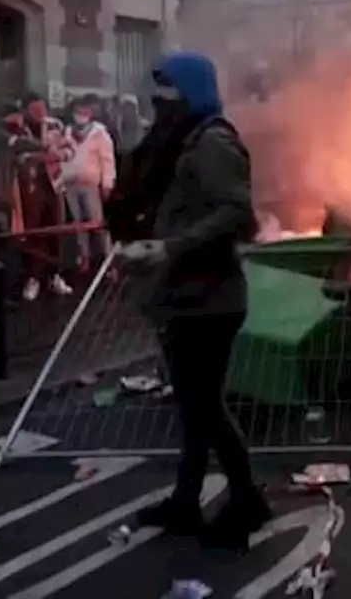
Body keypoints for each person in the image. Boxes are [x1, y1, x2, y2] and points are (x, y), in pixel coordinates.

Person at [108, 52, 267, 548]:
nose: (159, 100)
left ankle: (247, 501)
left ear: (192, 91)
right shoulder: (175, 142)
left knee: (206, 408)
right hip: (179, 295)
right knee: (193, 408)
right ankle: (186, 498)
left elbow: (235, 212)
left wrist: (167, 247)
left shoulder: (214, 141)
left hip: (211, 299)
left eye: (168, 90)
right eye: (155, 90)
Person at [14, 93, 74, 300]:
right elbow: (18, 157)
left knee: (56, 230)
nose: (41, 114)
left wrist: (58, 155)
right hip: (30, 186)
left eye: (43, 109)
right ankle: (33, 277)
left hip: (54, 184)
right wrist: (43, 156)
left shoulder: (55, 125)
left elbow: (69, 150)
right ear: (26, 110)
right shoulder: (19, 129)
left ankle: (55, 274)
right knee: (34, 231)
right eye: (35, 110)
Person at [61, 98, 116, 271]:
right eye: (78, 112)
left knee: (98, 223)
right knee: (78, 224)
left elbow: (107, 160)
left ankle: (109, 259)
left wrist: (107, 184)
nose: (81, 116)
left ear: (91, 114)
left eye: (85, 112)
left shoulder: (100, 134)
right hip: (71, 183)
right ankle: (85, 255)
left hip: (91, 184)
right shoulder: (67, 132)